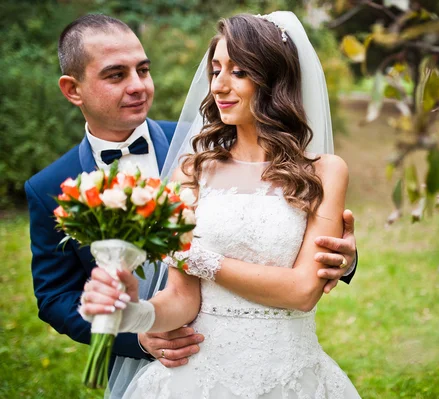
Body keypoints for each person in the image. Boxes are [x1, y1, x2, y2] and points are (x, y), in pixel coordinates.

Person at [25, 13, 358, 398]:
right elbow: (180, 297)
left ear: (272, 78)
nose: (219, 85)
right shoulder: (193, 165)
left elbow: (304, 282)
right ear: (73, 89)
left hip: (290, 368)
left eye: (239, 71)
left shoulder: (322, 170)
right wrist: (131, 316)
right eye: (215, 70)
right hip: (196, 369)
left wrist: (344, 258)